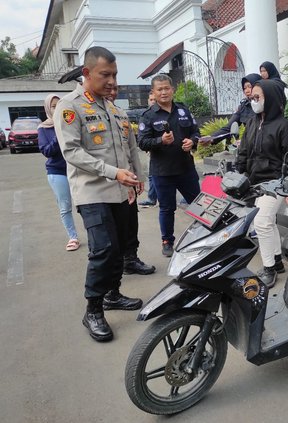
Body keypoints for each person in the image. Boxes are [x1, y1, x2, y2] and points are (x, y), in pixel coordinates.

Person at [53, 46, 145, 342]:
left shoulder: (115, 109)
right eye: (105, 74)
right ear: (87, 73)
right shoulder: (70, 107)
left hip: (121, 190)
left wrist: (137, 178)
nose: (112, 81)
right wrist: (114, 173)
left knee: (121, 247)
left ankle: (113, 294)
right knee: (103, 249)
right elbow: (72, 152)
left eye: (115, 75)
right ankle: (93, 309)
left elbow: (130, 148)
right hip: (92, 192)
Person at [236, 79, 288, 288]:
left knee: (262, 223)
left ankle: (269, 268)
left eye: (258, 97)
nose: (253, 101)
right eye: (252, 97)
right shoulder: (252, 122)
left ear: (270, 99)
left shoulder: (284, 127)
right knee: (267, 222)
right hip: (255, 182)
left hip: (276, 183)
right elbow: (244, 150)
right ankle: (277, 260)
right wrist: (238, 173)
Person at [137, 74, 200, 258]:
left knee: (198, 204)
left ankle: (206, 234)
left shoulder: (183, 110)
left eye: (167, 88)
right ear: (153, 93)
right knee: (167, 208)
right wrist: (160, 141)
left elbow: (195, 131)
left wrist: (192, 141)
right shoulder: (148, 116)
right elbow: (142, 142)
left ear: (172, 89)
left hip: (186, 169)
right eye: (159, 89)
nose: (164, 92)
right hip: (162, 173)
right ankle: (167, 241)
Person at [106, 85, 155, 275]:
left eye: (115, 88)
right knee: (110, 232)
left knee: (130, 223)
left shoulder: (120, 114)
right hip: (105, 182)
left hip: (127, 179)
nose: (112, 92)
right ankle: (114, 268)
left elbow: (132, 148)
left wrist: (139, 176)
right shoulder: (81, 110)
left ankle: (130, 260)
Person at [38, 94, 80, 252]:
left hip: (76, 169)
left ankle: (95, 234)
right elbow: (47, 151)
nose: (57, 108)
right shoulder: (44, 128)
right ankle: (73, 237)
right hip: (57, 171)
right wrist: (59, 134)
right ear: (48, 108)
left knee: (86, 203)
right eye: (53, 106)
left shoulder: (71, 123)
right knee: (65, 206)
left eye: (59, 105)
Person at [210, 73, 262, 143]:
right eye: (244, 88)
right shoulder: (243, 106)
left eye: (249, 87)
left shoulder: (266, 105)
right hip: (248, 147)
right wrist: (211, 138)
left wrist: (245, 142)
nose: (247, 91)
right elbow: (228, 127)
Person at [138, 92, 159, 207]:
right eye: (151, 99)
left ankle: (153, 198)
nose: (152, 102)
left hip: (160, 152)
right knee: (151, 176)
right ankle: (152, 198)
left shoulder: (162, 115)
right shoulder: (146, 116)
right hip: (149, 151)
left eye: (154, 100)